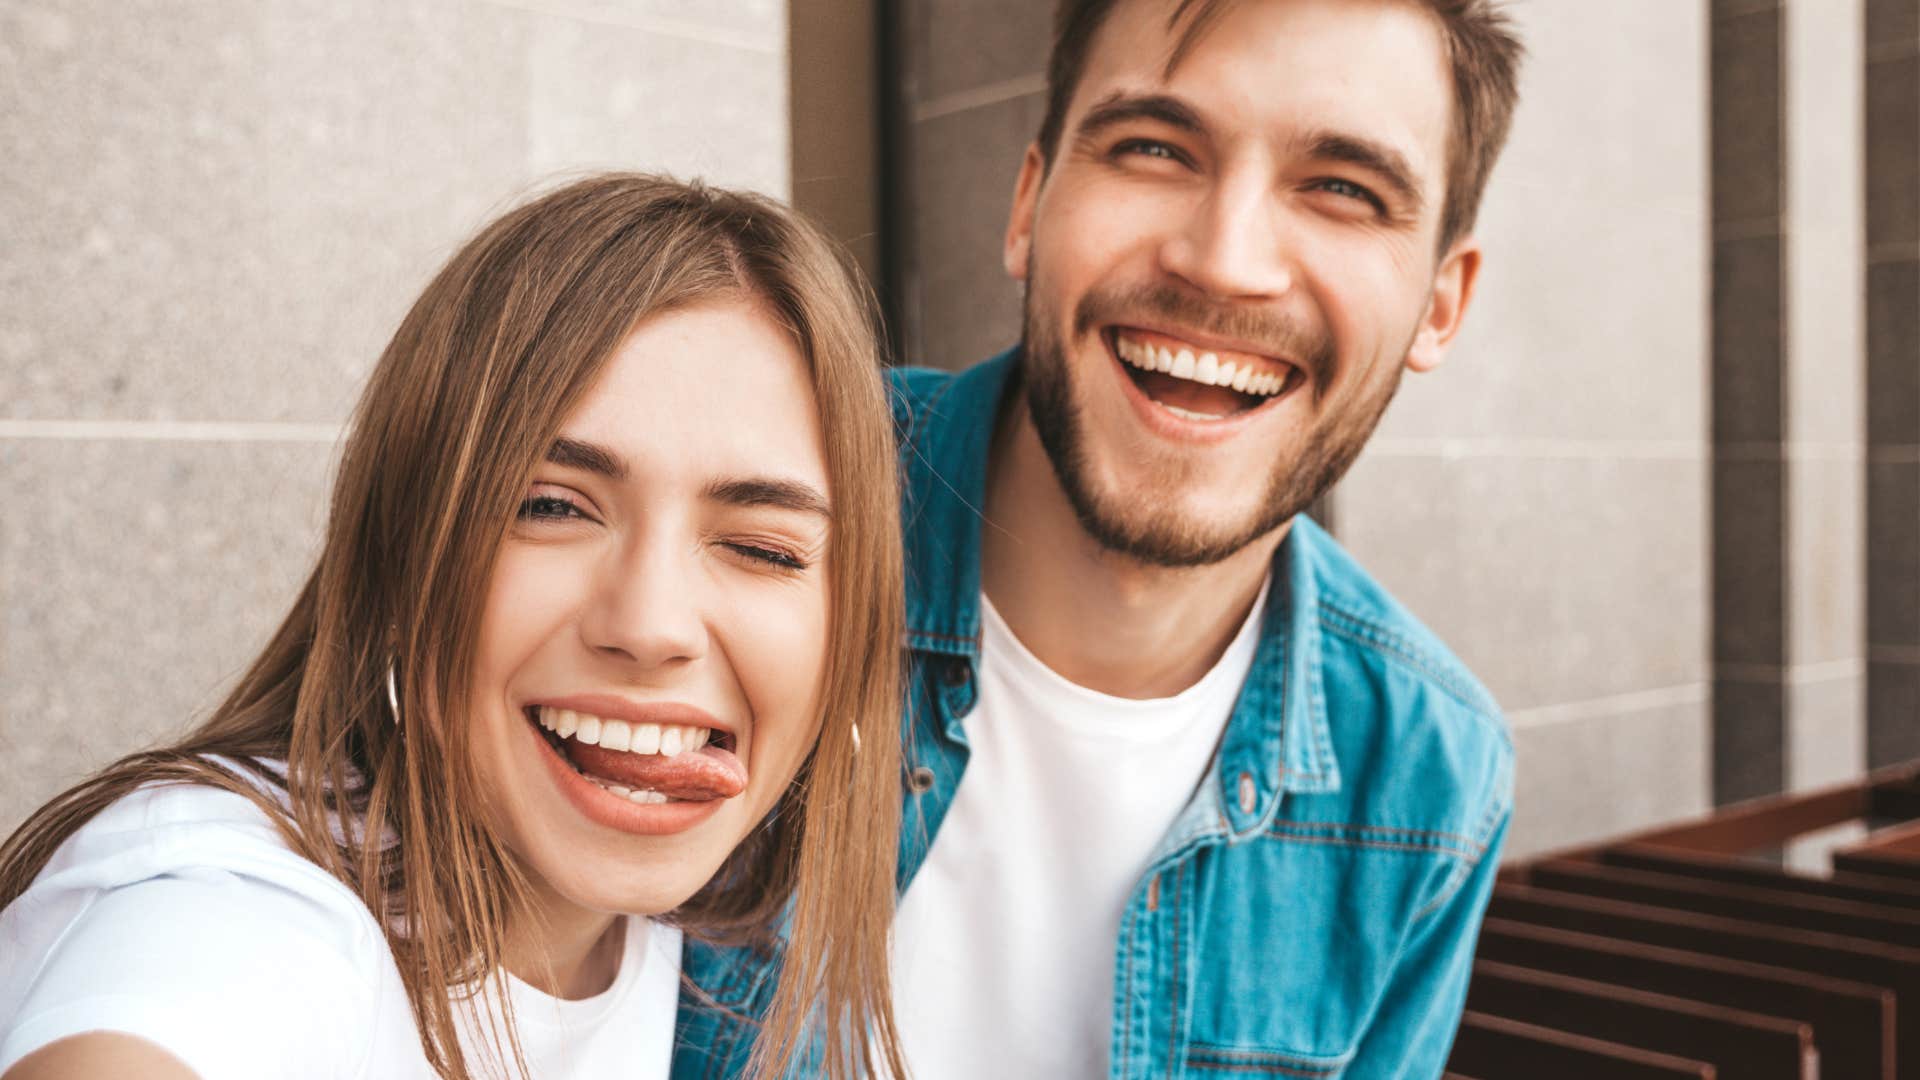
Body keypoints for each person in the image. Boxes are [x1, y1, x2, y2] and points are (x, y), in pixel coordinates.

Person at [676, 0, 1523, 1076]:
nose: (1225, 262)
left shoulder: (1426, 773)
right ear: (1029, 204)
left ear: (1441, 306)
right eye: (1156, 149)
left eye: (1345, 191)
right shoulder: (745, 501)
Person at [0, 174, 909, 1080]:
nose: (651, 624)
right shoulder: (233, 905)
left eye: (763, 548)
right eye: (552, 506)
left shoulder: (709, 951)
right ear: (401, 556)